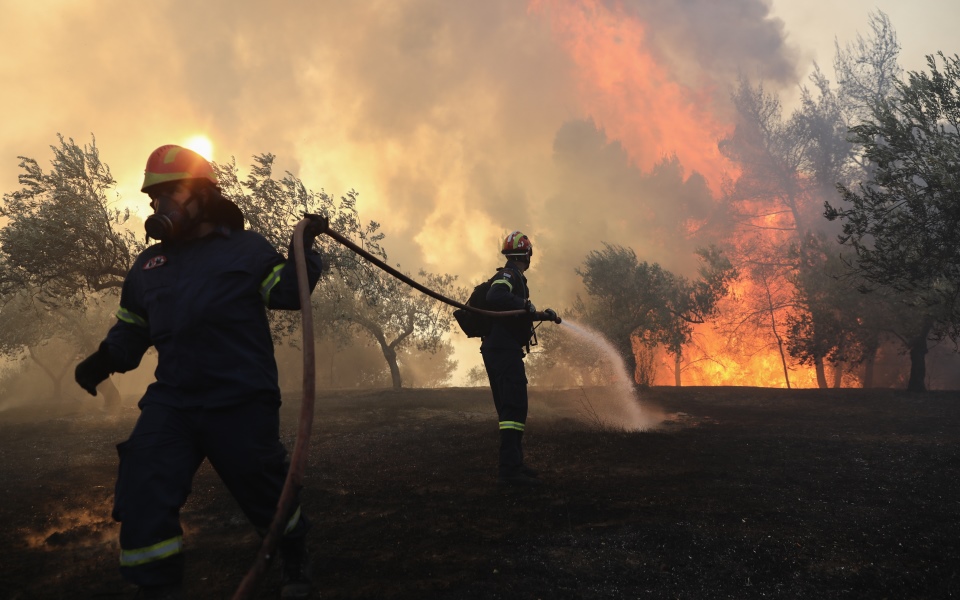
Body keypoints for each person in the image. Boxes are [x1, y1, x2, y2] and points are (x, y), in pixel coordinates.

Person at [74, 145, 325, 600]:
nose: (158, 206)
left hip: (241, 398)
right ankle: (157, 587)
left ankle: (293, 555)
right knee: (144, 482)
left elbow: (288, 292)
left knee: (265, 489)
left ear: (203, 196)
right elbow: (131, 333)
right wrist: (102, 361)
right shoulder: (148, 266)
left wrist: (303, 252)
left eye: (170, 194)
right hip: (174, 400)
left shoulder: (246, 250)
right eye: (154, 199)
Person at [480, 230, 559, 486]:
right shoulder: (508, 275)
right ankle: (509, 473)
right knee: (513, 409)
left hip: (501, 350)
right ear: (527, 254)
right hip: (503, 352)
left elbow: (512, 310)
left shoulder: (514, 278)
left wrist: (542, 315)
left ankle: (515, 464)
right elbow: (496, 296)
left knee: (512, 409)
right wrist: (525, 305)